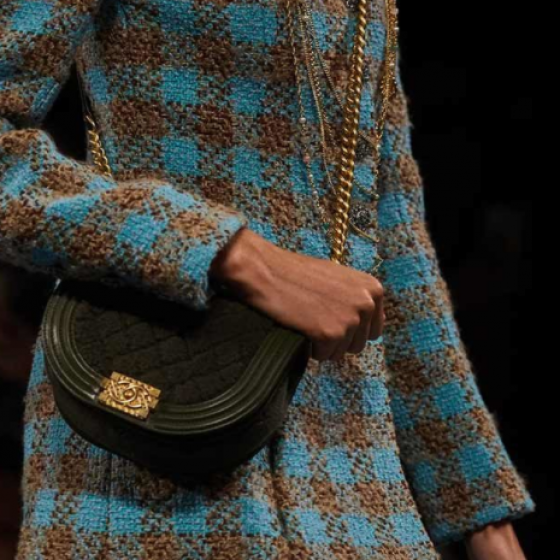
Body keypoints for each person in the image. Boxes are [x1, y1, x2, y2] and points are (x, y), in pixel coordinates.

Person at [0, 0, 535, 558]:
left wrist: (484, 520)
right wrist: (227, 252)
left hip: (356, 485)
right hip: (153, 450)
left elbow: (393, 242)